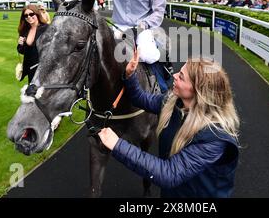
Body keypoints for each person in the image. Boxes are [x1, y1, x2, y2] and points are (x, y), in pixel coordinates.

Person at [98, 50, 240, 198]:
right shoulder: (172, 103)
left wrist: (117, 145)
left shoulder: (214, 138)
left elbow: (169, 174)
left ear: (198, 91)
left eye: (181, 77)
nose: (174, 75)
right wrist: (130, 75)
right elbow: (140, 98)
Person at [17, 5, 49, 83]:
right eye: (26, 15)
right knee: (32, 93)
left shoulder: (46, 28)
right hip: (31, 69)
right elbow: (22, 51)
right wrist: (20, 44)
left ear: (37, 14)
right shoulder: (25, 30)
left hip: (44, 69)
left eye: (31, 14)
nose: (29, 17)